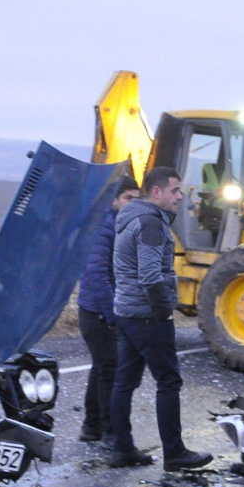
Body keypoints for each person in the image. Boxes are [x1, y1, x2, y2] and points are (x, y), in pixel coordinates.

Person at [108, 166, 213, 471]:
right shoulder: (150, 223)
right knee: (168, 382)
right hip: (146, 316)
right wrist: (163, 311)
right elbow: (151, 276)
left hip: (126, 312)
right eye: (175, 190)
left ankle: (123, 449)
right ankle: (175, 453)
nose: (180, 197)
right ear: (156, 192)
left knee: (124, 382)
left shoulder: (130, 219)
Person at [77, 175, 140, 444]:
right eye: (128, 198)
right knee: (111, 370)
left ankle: (92, 427)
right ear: (114, 199)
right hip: (97, 312)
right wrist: (114, 314)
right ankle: (110, 432)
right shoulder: (104, 227)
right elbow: (97, 275)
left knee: (102, 367)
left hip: (100, 310)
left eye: (137, 199)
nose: (132, 204)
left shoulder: (117, 224)